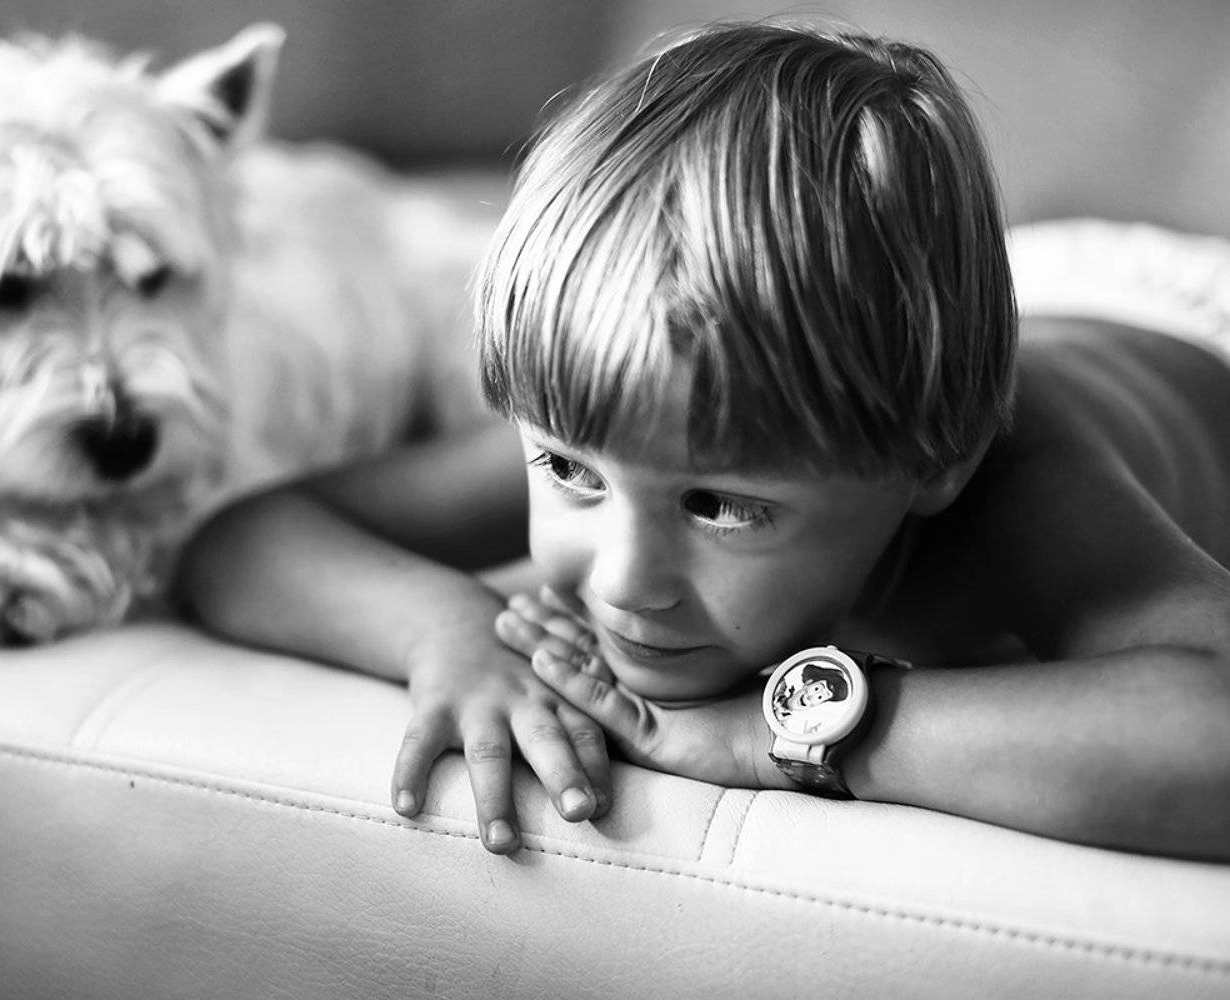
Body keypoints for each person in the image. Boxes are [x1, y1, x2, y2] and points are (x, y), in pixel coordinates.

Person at [178, 20, 1230, 860]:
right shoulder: (659, 415)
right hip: (1016, 283)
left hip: (1188, 319)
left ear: (934, 461)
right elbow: (247, 542)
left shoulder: (1012, 477)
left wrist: (780, 732)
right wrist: (443, 629)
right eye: (567, 470)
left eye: (720, 506)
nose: (624, 582)